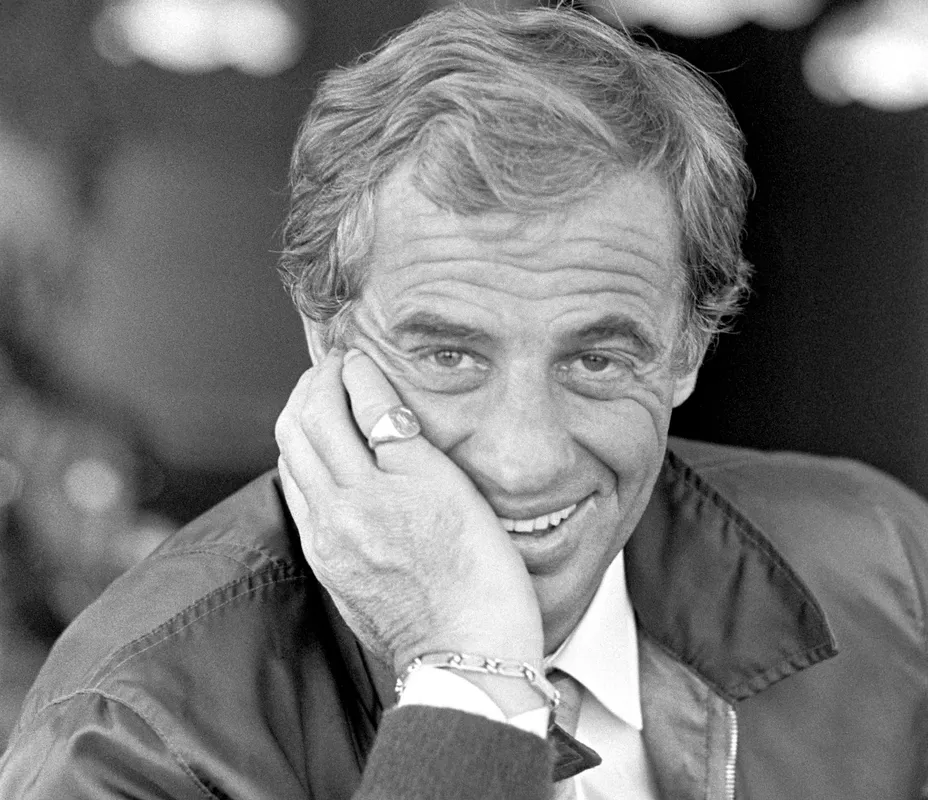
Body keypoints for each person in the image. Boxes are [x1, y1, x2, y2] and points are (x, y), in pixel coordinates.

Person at [1, 5, 926, 799]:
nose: (524, 460)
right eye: (449, 356)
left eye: (597, 360)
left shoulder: (889, 572)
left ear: (687, 348)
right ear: (328, 340)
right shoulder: (130, 733)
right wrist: (472, 688)